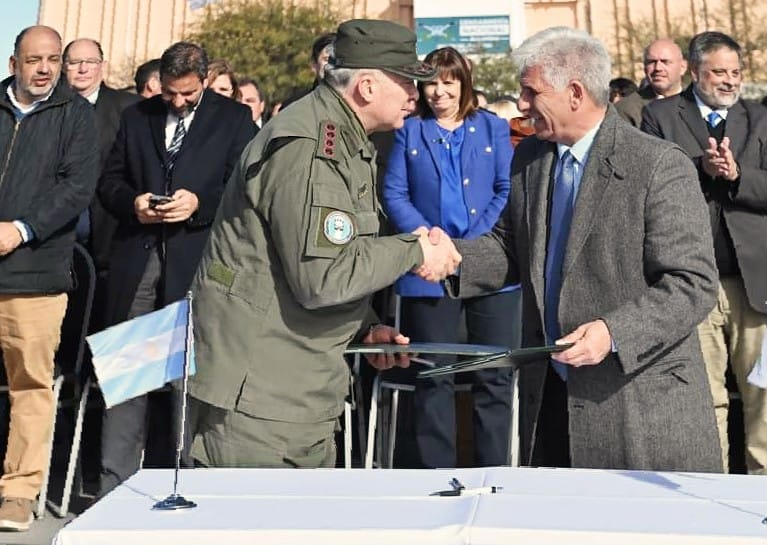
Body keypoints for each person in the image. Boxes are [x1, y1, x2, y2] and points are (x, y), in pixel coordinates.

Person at [187, 19, 460, 469]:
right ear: (367, 87)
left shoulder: (341, 136)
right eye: (406, 81)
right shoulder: (311, 146)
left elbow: (312, 258)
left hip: (294, 386)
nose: (416, 95)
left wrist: (364, 328)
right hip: (263, 400)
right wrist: (414, 251)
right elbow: (324, 278)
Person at [450, 26, 722, 471]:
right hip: (552, 398)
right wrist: (446, 258)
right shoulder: (530, 158)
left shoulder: (656, 164)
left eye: (531, 91)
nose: (521, 104)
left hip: (635, 406)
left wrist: (613, 333)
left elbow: (692, 284)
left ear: (575, 93)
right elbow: (511, 249)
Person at [96, 41, 257, 496]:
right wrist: (135, 203)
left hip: (198, 266)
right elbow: (109, 182)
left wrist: (199, 204)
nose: (179, 102)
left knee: (189, 384)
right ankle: (115, 488)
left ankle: (187, 485)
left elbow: (247, 186)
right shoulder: (136, 117)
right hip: (140, 264)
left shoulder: (233, 119)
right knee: (130, 382)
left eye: (188, 93)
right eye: (170, 93)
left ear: (204, 80)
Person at [641, 31, 767, 477]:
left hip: (756, 279)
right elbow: (647, 184)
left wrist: (737, 174)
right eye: (719, 72)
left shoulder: (764, 120)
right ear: (694, 71)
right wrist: (701, 169)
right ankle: (713, 486)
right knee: (704, 395)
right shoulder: (660, 116)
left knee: (763, 393)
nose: (729, 81)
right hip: (693, 278)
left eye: (735, 72)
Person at [382, 46, 520, 469]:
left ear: (464, 83)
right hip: (429, 267)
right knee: (434, 374)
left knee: (494, 374)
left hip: (491, 269)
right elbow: (395, 193)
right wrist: (431, 239)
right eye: (430, 84)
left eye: (448, 82)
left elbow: (506, 189)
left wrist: (469, 247)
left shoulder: (493, 128)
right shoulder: (410, 131)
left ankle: (495, 473)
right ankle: (435, 475)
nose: (438, 92)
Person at [0, 25, 98, 531]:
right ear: (14, 63)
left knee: (30, 385)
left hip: (35, 274)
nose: (44, 69)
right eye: (34, 59)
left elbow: (76, 187)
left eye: (53, 59)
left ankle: (18, 492)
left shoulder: (76, 116)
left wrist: (21, 229)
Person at [63, 38, 139, 312]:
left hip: (109, 231)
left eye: (90, 62)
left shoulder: (130, 108)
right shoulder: (49, 108)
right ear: (64, 67)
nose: (83, 68)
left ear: (102, 66)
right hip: (57, 235)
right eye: (75, 62)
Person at [616, 38, 687, 126]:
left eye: (665, 62)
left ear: (683, 67)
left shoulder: (697, 101)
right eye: (651, 62)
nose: (658, 68)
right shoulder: (627, 110)